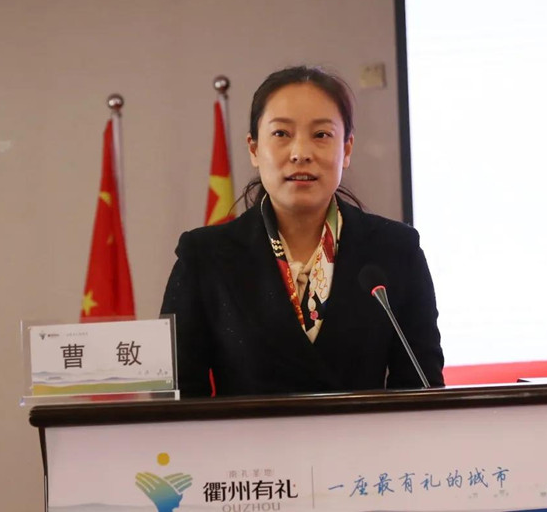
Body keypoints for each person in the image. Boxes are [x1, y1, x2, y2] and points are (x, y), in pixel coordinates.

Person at [161, 66, 444, 398]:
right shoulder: (205, 257)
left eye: (321, 135)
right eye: (281, 133)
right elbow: (175, 398)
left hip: (360, 434)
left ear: (347, 149)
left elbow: (422, 390)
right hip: (250, 435)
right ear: (253, 149)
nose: (301, 154)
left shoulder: (396, 251)